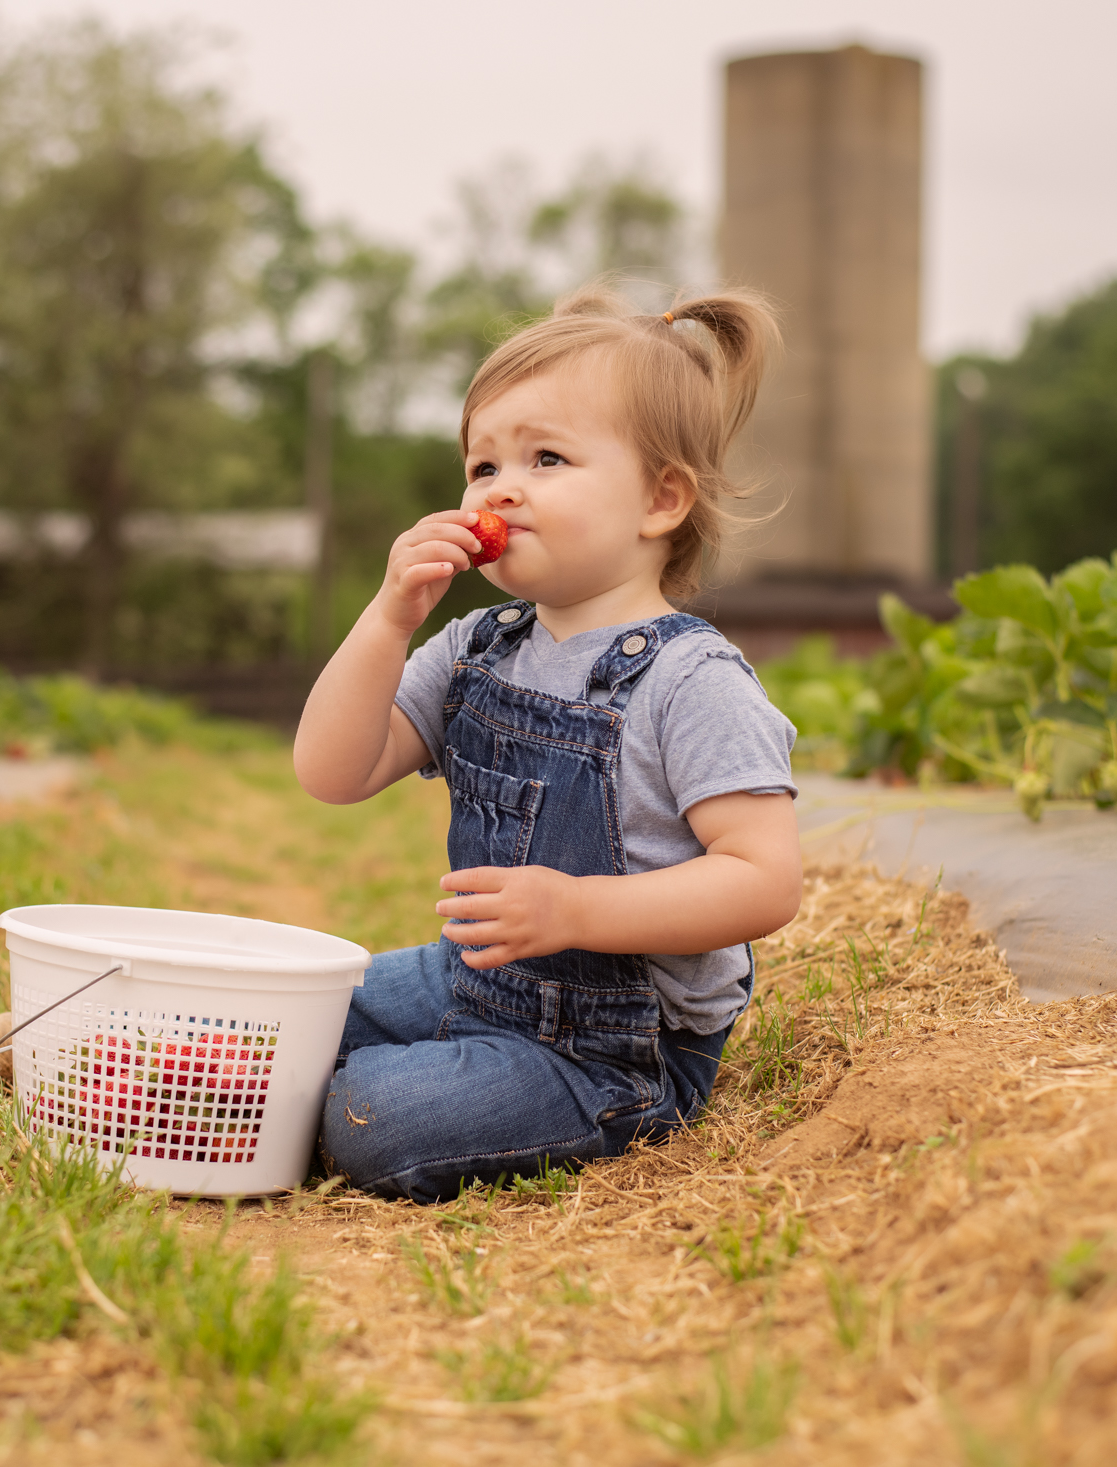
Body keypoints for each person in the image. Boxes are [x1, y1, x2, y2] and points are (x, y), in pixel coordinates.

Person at [292, 283, 805, 1202]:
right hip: (475, 985)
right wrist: (386, 618)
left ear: (660, 499)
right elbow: (332, 771)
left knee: (373, 1113)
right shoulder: (477, 646)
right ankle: (47, 1039)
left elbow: (765, 878)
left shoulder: (691, 681)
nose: (502, 488)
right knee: (298, 997)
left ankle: (280, 1099)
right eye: (482, 465)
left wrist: (578, 911)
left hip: (616, 1051)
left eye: (547, 457)